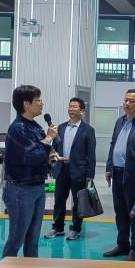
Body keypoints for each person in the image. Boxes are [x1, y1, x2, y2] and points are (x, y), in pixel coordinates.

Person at [2, 85, 62, 258]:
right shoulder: (18, 128)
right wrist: (49, 138)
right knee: (16, 239)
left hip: (36, 185)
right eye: (38, 100)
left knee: (33, 238)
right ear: (26, 104)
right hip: (21, 189)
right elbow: (32, 156)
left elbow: (38, 153)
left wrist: (49, 158)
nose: (41, 103)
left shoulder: (34, 126)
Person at [103, 89, 135, 262]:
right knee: (120, 212)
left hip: (133, 176)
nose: (127, 103)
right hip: (117, 173)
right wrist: (109, 167)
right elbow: (113, 145)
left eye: (131, 101)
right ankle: (123, 244)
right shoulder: (120, 122)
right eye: (126, 100)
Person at [45, 98, 96, 241]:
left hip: (79, 170)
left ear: (82, 110)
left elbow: (91, 154)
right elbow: (54, 147)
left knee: (78, 202)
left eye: (75, 107)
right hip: (61, 168)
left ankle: (75, 229)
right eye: (70, 106)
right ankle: (58, 227)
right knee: (59, 200)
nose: (71, 109)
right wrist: (52, 165)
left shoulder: (88, 130)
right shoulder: (60, 128)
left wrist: (89, 175)